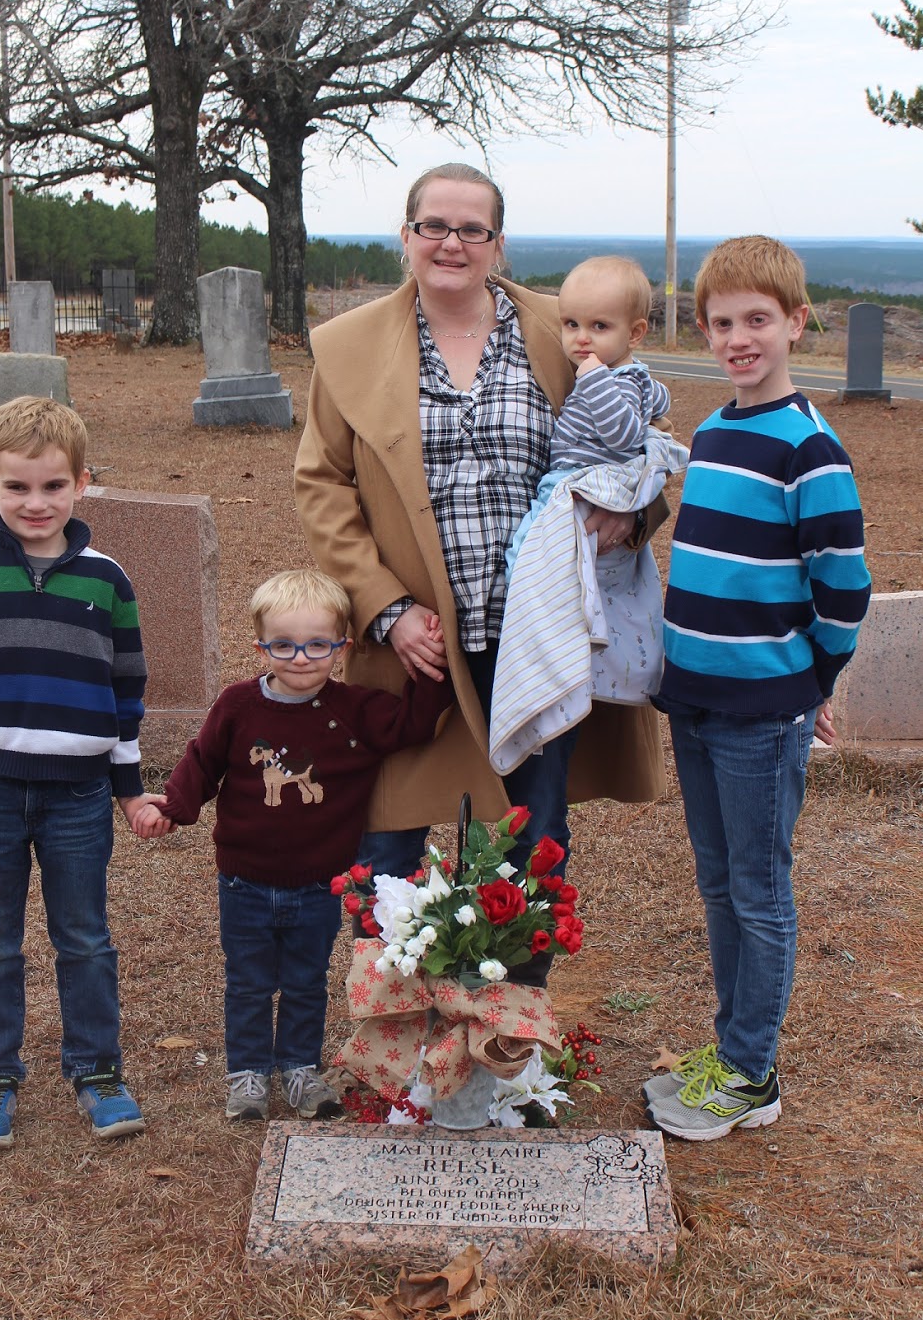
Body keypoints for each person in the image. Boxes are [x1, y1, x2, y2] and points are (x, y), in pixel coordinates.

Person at [294, 163, 666, 985]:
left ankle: (506, 1029)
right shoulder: (350, 347)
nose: (451, 243)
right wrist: (386, 608)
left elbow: (633, 447)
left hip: (539, 636)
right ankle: (394, 1030)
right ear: (406, 235)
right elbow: (322, 484)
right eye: (433, 226)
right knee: (385, 845)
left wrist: (630, 517)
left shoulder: (563, 328)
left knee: (532, 844)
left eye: (472, 229)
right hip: (416, 646)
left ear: (498, 243)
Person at [644, 236, 871, 1141]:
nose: (738, 338)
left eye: (757, 320)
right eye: (721, 322)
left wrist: (814, 681)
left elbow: (842, 587)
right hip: (694, 698)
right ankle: (731, 1048)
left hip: (762, 710)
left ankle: (750, 1072)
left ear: (795, 323)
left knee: (757, 890)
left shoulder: (808, 449)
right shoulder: (712, 433)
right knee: (715, 883)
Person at [0, 396, 148, 1150]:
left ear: (82, 483)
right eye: (17, 487)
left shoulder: (107, 579)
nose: (35, 503)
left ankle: (98, 1070)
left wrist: (127, 786)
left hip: (79, 793)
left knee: (84, 937)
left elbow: (126, 692)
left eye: (53, 486)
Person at [130, 570, 453, 1123]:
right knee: (249, 982)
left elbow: (414, 725)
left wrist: (431, 663)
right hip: (244, 881)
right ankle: (248, 1074)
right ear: (261, 645)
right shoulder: (237, 706)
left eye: (317, 645)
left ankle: (301, 1068)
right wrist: (172, 808)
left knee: (306, 982)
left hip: (319, 883)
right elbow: (202, 762)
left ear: (342, 647)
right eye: (283, 645)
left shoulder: (355, 712)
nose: (300, 658)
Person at [488, 255, 689, 774]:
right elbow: (655, 396)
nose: (581, 339)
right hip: (571, 476)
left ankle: (525, 600)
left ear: (635, 332)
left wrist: (595, 378)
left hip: (577, 483)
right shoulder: (628, 376)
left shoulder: (607, 378)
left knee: (530, 554)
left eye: (599, 327)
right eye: (572, 324)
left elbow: (624, 435)